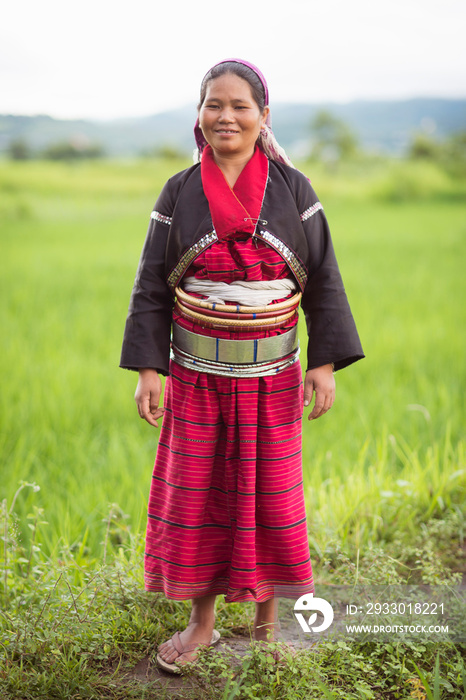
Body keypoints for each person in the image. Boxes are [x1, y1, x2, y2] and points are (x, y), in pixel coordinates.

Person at [120, 58, 364, 673]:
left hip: (273, 377)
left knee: (270, 495)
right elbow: (151, 283)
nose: (226, 116)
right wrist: (151, 369)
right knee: (199, 492)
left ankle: (266, 626)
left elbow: (324, 278)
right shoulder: (178, 191)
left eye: (240, 106)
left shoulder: (294, 189)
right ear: (199, 115)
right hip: (196, 377)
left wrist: (325, 361)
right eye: (213, 105)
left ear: (263, 117)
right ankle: (201, 623)